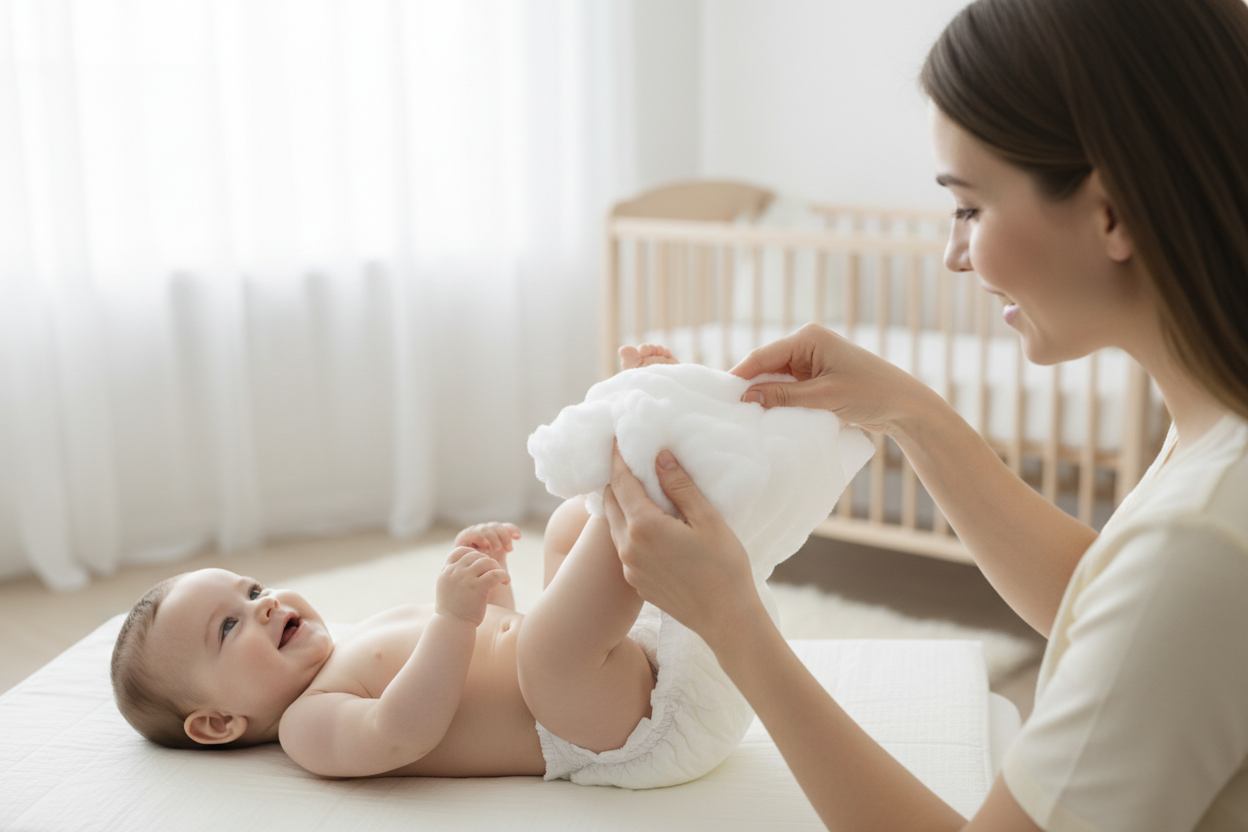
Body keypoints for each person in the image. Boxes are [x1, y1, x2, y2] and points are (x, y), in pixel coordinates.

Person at [600, 0, 1248, 829]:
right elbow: (1121, 613)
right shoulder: (1214, 429)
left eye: (970, 208)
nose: (953, 254)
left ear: (1111, 211)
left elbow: (1165, 589)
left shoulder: (1203, 535)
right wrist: (910, 413)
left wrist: (733, 624)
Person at [109, 350, 721, 785]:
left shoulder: (359, 638)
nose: (263, 605)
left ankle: (646, 470)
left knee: (563, 531)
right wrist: (452, 622)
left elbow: (493, 645)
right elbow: (400, 731)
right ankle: (645, 465)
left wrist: (488, 586)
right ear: (218, 722)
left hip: (608, 671)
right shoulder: (306, 727)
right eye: (228, 626)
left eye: (253, 591)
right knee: (545, 649)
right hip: (590, 729)